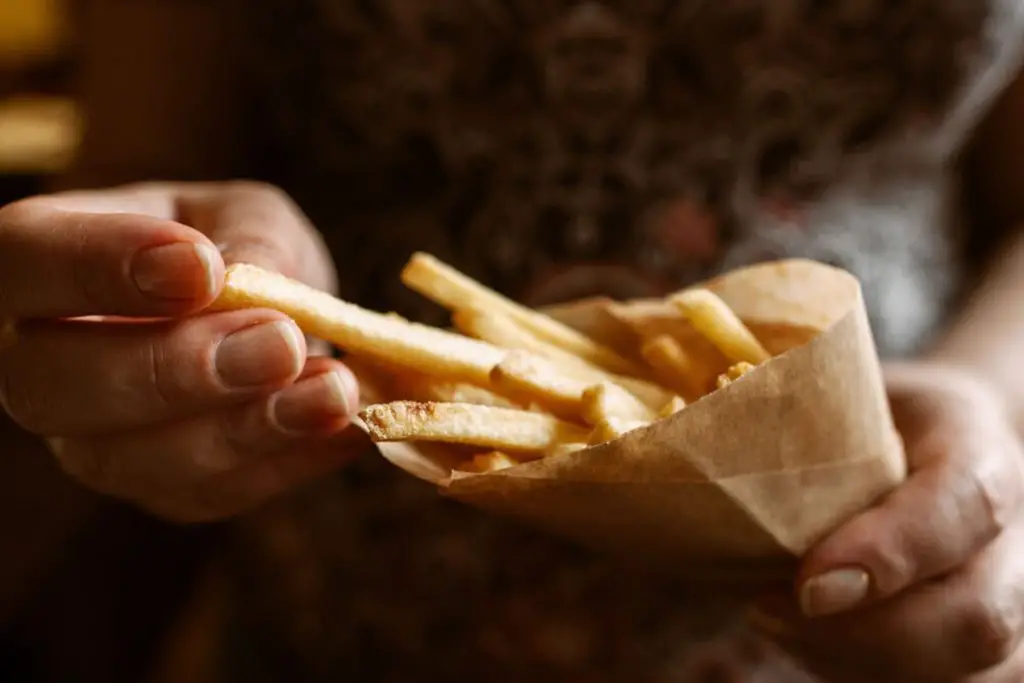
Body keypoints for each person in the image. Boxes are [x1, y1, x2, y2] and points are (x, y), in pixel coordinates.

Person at [2, 1, 1024, 681]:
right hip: (347, 606)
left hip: (868, 592)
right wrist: (149, 294)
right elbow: (151, 143)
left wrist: (983, 395)